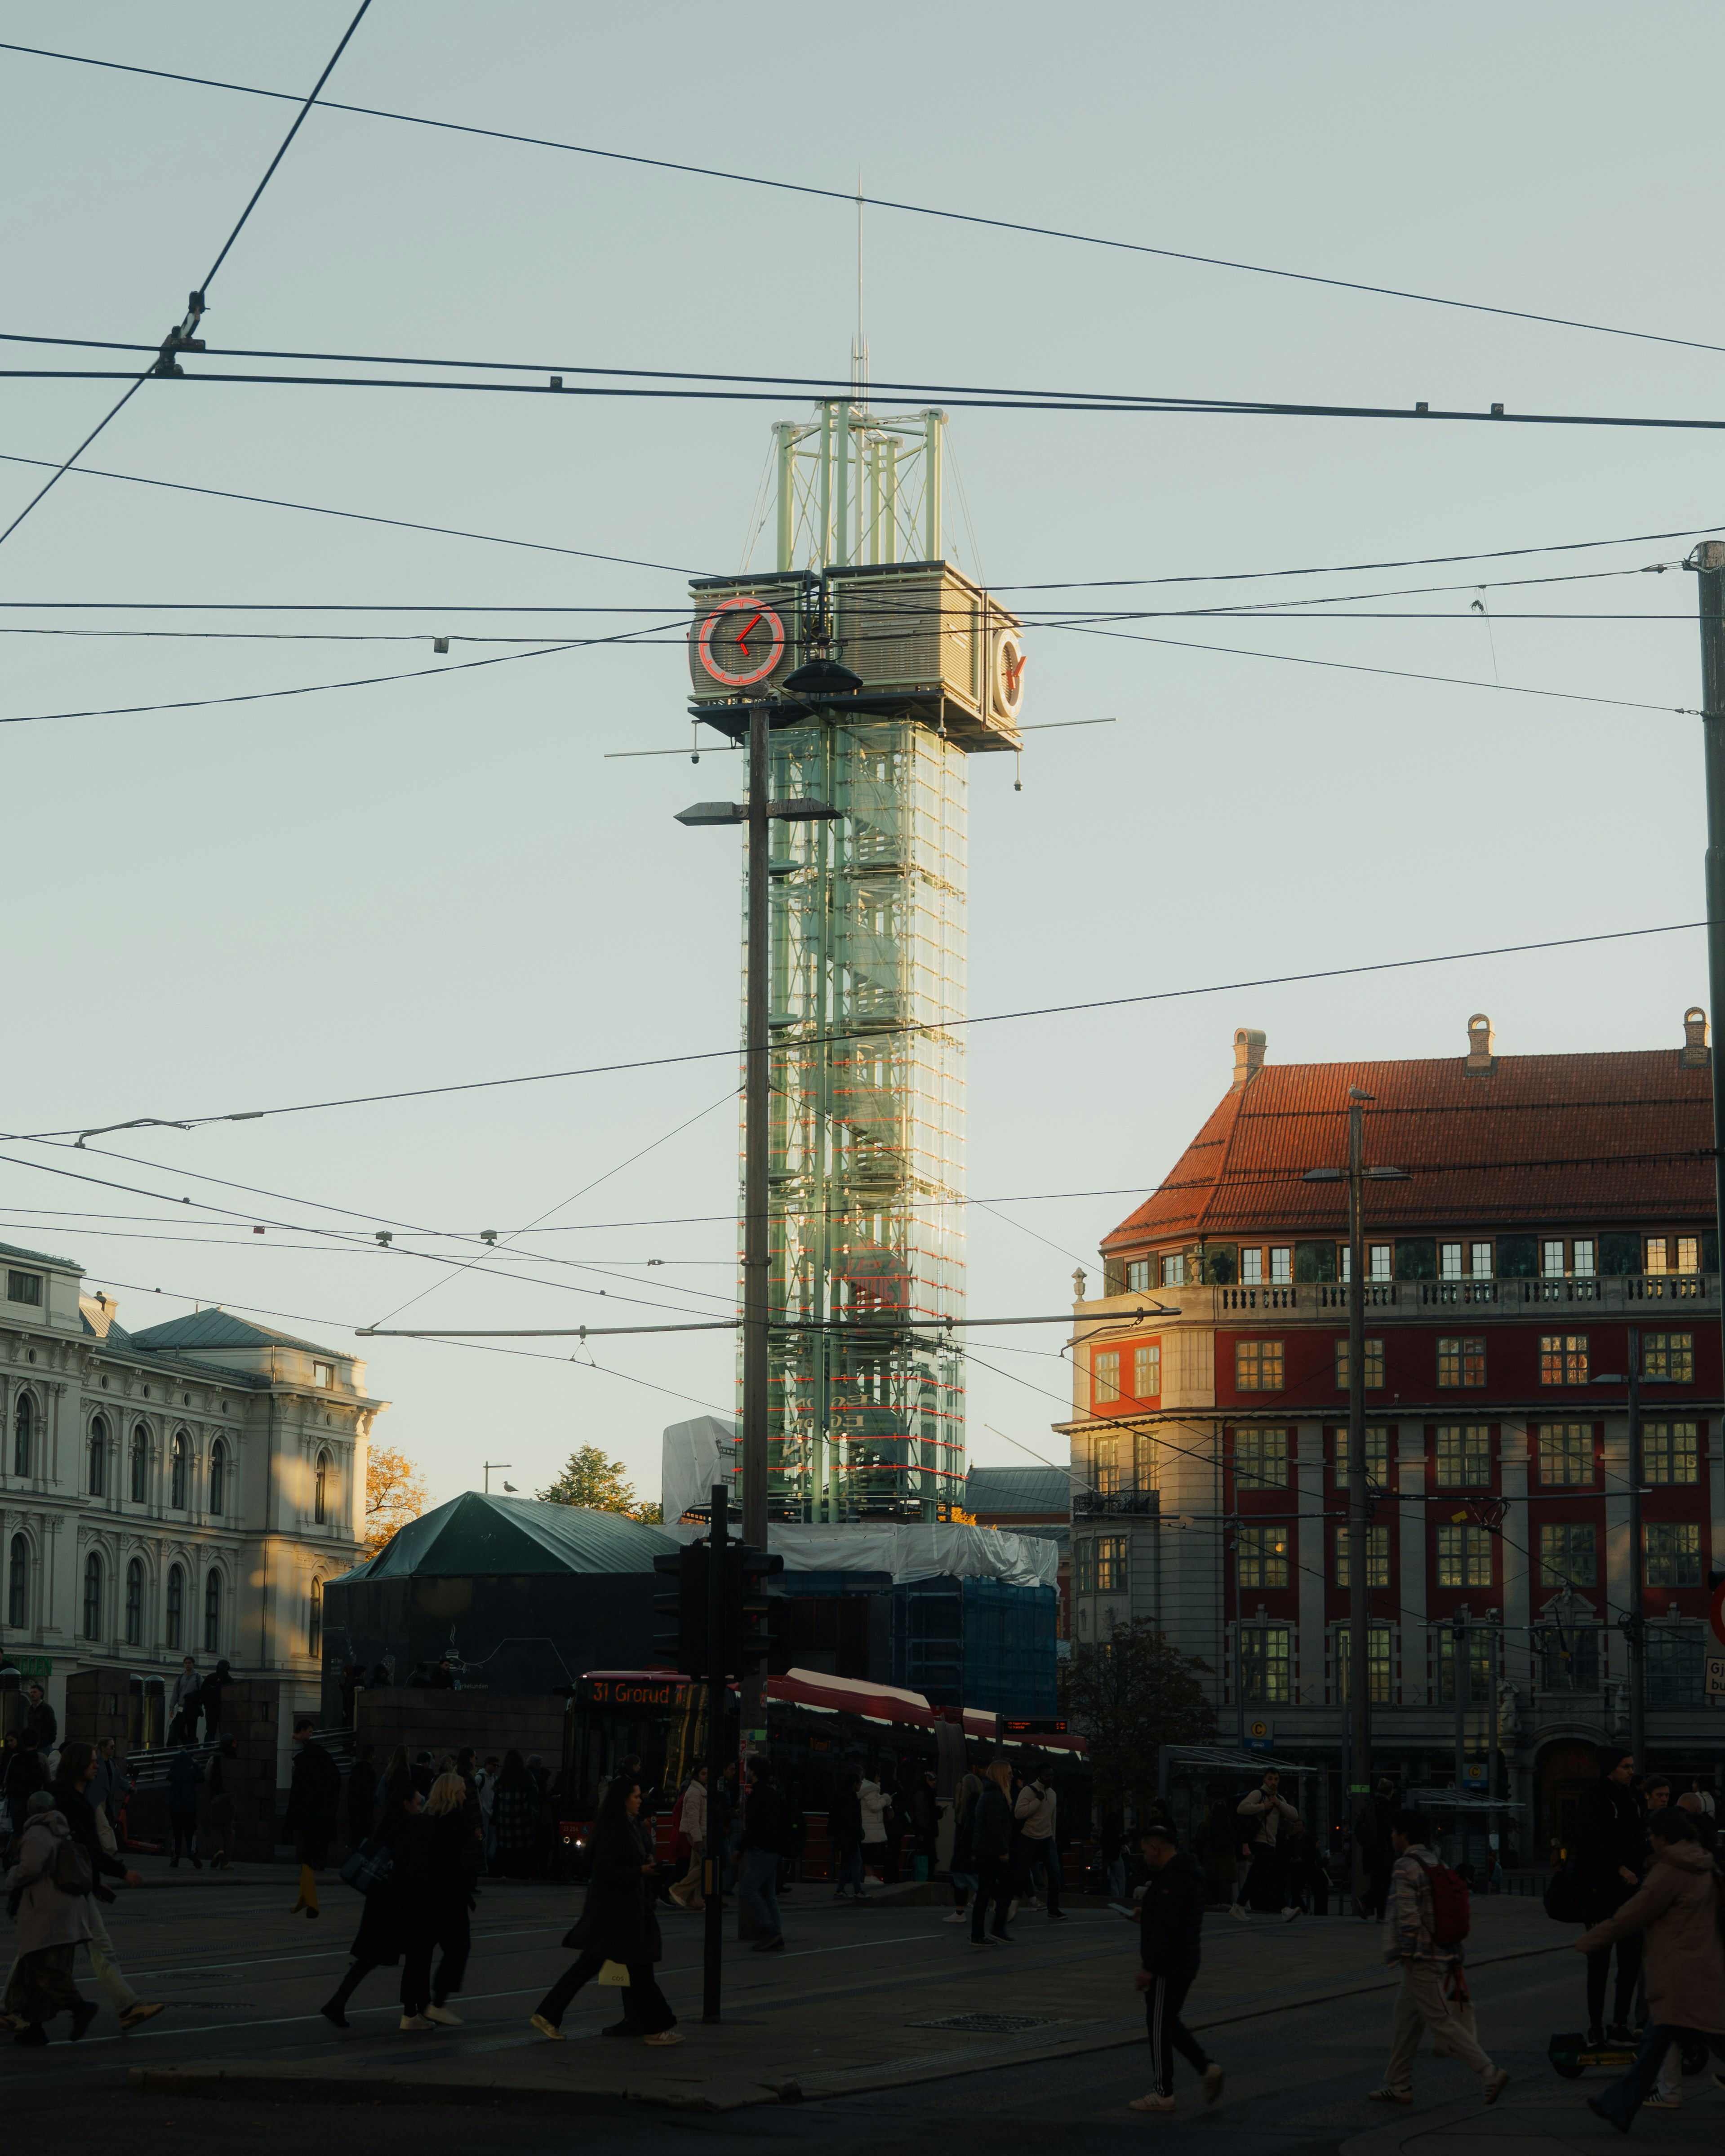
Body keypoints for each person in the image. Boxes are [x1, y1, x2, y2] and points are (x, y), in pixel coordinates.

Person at [1575, 1805, 1725, 2131]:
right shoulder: (1704, 1863)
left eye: (1651, 1834)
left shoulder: (1670, 1871)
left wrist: (1591, 1939)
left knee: (1674, 2042)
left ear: (1662, 1837)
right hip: (1704, 1969)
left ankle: (1618, 2104)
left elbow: (1632, 1914)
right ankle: (1617, 2104)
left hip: (1677, 1974)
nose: (1649, 1840)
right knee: (1664, 2043)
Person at [1366, 1808, 1509, 2107]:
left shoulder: (1406, 1865)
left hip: (1420, 1957)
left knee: (1440, 2020)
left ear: (1404, 1835)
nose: (1391, 1836)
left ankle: (1489, 2071)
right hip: (1440, 1951)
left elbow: (1408, 1917)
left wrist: (1406, 1954)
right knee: (1405, 2018)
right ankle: (1399, 2083)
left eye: (1394, 1831)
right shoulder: (1435, 1861)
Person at [529, 1774, 680, 2045]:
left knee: (600, 1968)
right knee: (636, 1970)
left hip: (619, 1912)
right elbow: (605, 1869)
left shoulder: (625, 1825)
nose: (640, 1799)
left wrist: (644, 1864)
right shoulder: (615, 1828)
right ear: (623, 1800)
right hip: (617, 1913)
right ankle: (656, 2028)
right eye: (636, 1796)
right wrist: (640, 1870)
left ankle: (547, 2015)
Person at [43, 1740, 164, 2032]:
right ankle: (126, 2007)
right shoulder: (67, 1800)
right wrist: (121, 1871)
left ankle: (127, 2007)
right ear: (77, 1766)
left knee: (61, 1948)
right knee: (48, 1948)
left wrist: (96, 1884)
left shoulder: (80, 1799)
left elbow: (85, 1849)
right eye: (92, 1761)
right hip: (62, 1886)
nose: (98, 1765)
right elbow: (84, 1847)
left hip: (74, 1885)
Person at [319, 1778, 439, 2031]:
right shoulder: (403, 1826)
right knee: (400, 1955)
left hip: (382, 1901)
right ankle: (413, 2011)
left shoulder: (390, 1823)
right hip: (389, 1904)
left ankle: (339, 2003)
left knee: (372, 1958)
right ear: (406, 1804)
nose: (421, 1807)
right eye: (418, 1803)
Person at [1127, 1821, 1224, 2113]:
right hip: (1184, 1961)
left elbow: (1168, 1927)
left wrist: (1150, 1968)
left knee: (1158, 2025)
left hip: (1168, 1965)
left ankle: (1163, 2091)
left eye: (1146, 1851)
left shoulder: (1172, 1878)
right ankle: (1207, 2069)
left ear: (1156, 1848)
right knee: (1168, 2022)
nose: (1145, 1857)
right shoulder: (1187, 1873)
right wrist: (1147, 1913)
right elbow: (1174, 1914)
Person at [1, 1790, 97, 2046]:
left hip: (48, 1909)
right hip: (67, 1907)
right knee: (41, 1966)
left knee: (40, 1966)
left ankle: (79, 2007)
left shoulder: (36, 1833)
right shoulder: (61, 1829)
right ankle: (36, 2026)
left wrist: (11, 1877)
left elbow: (30, 1868)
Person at [1575, 1745, 1646, 2046]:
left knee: (1630, 1961)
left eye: (1631, 1766)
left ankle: (1619, 2023)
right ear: (1610, 1769)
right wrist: (1619, 1868)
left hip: (1629, 1893)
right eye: (1626, 1766)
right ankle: (1596, 2026)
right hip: (1602, 1892)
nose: (1631, 1771)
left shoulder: (1628, 1800)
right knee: (1600, 1963)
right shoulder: (1597, 1798)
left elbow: (1637, 1840)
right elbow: (1590, 1842)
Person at [423, 1771, 477, 2025]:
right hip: (449, 1892)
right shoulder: (455, 1817)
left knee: (423, 1950)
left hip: (427, 1890)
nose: (465, 1794)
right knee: (459, 1946)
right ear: (452, 1792)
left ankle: (413, 2009)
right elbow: (454, 1860)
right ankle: (437, 2004)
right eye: (462, 1790)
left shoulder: (429, 1815)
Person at [284, 1716, 341, 1919]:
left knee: (305, 1858)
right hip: (317, 1814)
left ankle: (310, 1902)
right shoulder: (319, 1759)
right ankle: (306, 1898)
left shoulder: (310, 1758)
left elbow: (299, 1791)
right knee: (308, 1858)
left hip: (306, 1815)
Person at [737, 1757, 790, 1951]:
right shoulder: (772, 1794)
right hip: (773, 1850)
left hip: (762, 1851)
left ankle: (770, 1931)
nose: (746, 1773)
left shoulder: (758, 1795)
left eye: (748, 1770)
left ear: (753, 1772)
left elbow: (754, 1828)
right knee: (768, 1893)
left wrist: (740, 1848)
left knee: (748, 1889)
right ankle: (777, 1933)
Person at [1236, 1769, 1300, 1919]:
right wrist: (1262, 1807)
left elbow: (1294, 1815)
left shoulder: (1278, 1798)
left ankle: (1238, 1906)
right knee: (1273, 1876)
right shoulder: (1258, 1794)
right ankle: (1285, 1910)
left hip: (1270, 1844)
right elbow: (1242, 1808)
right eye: (1270, 1779)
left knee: (1255, 1877)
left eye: (1276, 1779)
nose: (1273, 1782)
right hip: (1259, 1842)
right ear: (1265, 1779)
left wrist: (1279, 1804)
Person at [970, 1756, 1015, 1947]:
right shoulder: (996, 1796)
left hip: (986, 1851)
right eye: (1009, 1774)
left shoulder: (989, 1793)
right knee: (992, 1890)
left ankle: (992, 1930)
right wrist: (1003, 1851)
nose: (1012, 1777)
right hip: (992, 1852)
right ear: (1001, 1775)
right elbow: (995, 1826)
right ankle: (982, 1934)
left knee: (991, 1890)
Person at [1014, 1762, 1066, 1921]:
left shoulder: (1053, 1794)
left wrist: (1053, 1840)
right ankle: (1009, 1903)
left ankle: (1053, 1909)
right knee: (1021, 1873)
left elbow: (1053, 1819)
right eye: (1046, 1775)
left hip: (1047, 1839)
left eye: (1051, 1775)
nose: (1049, 1778)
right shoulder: (1028, 1791)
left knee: (1055, 1874)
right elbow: (1019, 1813)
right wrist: (1037, 1801)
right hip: (1028, 1838)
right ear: (1039, 1776)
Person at [492, 1750, 537, 1877]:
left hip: (505, 1822)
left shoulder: (504, 1776)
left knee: (507, 1850)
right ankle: (521, 1874)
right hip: (523, 1822)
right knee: (522, 1852)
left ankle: (508, 1873)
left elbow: (496, 1793)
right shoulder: (526, 1775)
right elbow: (534, 1794)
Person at [668, 1765, 707, 1910]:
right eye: (703, 1773)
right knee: (705, 1865)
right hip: (699, 1834)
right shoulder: (695, 1792)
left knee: (696, 1866)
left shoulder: (700, 1791)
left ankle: (694, 1900)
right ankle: (679, 1890)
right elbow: (693, 1818)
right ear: (696, 1776)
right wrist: (697, 1839)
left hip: (698, 1833)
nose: (706, 1776)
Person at [943, 1771, 980, 1923]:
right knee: (962, 1881)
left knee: (972, 1882)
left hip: (966, 1850)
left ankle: (960, 1913)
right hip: (964, 1850)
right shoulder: (973, 1803)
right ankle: (959, 1913)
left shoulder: (971, 1804)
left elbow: (968, 1828)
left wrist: (972, 1851)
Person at [830, 1767, 866, 1903]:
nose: (861, 1785)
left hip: (842, 1834)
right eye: (860, 1783)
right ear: (855, 1784)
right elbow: (851, 1819)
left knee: (847, 1863)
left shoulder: (841, 1794)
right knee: (857, 1861)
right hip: (850, 1835)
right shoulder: (850, 1797)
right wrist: (859, 1833)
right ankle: (858, 1891)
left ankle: (840, 1890)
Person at [1197, 1791, 1239, 1908]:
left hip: (1210, 1863)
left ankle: (1214, 1908)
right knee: (1225, 1894)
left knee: (1212, 1892)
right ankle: (1225, 1908)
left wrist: (1202, 1859)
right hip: (1227, 1864)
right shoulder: (1229, 1822)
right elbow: (1236, 1839)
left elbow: (1200, 1842)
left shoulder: (1207, 1823)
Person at [167, 1742, 203, 1869]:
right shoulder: (191, 1773)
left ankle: (174, 1859)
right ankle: (192, 1853)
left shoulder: (175, 1773)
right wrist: (195, 1764)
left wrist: (174, 1765)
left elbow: (169, 1775)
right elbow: (201, 1778)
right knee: (191, 1833)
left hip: (175, 1809)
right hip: (189, 1808)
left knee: (176, 1834)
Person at [206, 1738, 237, 1869]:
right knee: (229, 1829)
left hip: (217, 1797)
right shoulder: (236, 1759)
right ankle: (226, 1862)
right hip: (231, 1799)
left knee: (216, 1826)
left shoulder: (215, 1759)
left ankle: (219, 1849)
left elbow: (207, 1777)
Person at [858, 1767, 891, 1884]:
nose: (879, 1778)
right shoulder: (871, 1791)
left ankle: (870, 1876)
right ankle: (869, 1876)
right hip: (871, 1828)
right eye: (878, 1776)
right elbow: (874, 1807)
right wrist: (885, 1799)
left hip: (869, 1827)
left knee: (869, 1854)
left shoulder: (868, 1789)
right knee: (870, 1854)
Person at [347, 1743, 378, 1847]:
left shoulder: (356, 1769)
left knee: (356, 1839)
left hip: (354, 1811)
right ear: (372, 1756)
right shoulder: (370, 1771)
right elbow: (369, 1794)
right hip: (365, 1812)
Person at [166, 1658, 201, 1745]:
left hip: (192, 1708)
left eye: (189, 1663)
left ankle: (191, 1748)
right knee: (177, 1728)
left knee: (191, 1731)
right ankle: (188, 1744)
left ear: (193, 1664)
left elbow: (202, 1692)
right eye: (186, 1663)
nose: (187, 1665)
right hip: (181, 1708)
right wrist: (172, 1707)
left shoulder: (198, 1677)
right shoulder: (181, 1677)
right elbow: (175, 1693)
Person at [197, 1659, 231, 1740]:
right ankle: (222, 1749)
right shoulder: (229, 1680)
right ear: (228, 1668)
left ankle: (207, 1750)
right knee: (224, 1730)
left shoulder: (210, 1677)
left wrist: (203, 1704)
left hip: (210, 1708)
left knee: (210, 1730)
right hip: (223, 1708)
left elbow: (202, 1692)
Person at [23, 1681, 56, 1752]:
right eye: (31, 1692)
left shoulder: (46, 1708)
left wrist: (49, 1740)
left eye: (35, 1692)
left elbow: (52, 1725)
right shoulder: (31, 1709)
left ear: (41, 1693)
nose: (32, 1694)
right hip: (33, 1744)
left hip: (44, 1745)